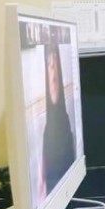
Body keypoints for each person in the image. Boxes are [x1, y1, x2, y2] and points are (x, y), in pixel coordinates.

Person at [42, 43, 75, 193]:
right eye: (50, 65)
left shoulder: (64, 122)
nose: (53, 73)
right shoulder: (49, 129)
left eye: (55, 64)